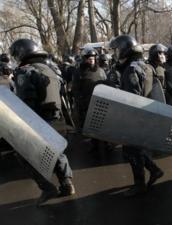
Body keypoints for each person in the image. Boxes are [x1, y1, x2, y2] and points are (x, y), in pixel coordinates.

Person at [9, 39, 75, 206]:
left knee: (23, 155)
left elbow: (25, 103)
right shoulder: (51, 69)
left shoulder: (24, 72)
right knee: (58, 152)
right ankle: (67, 183)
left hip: (38, 121)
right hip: (57, 119)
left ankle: (47, 188)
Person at [109, 35, 164, 197]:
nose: (115, 53)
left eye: (117, 49)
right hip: (146, 115)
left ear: (125, 50)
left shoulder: (131, 70)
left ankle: (139, 185)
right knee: (136, 150)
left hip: (135, 117)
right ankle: (155, 170)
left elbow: (132, 98)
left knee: (131, 152)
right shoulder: (144, 66)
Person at [71, 47, 107, 149]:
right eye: (88, 58)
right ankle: (94, 144)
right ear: (84, 59)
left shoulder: (100, 71)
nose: (91, 60)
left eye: (93, 58)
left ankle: (106, 143)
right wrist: (80, 103)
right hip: (86, 104)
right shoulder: (78, 72)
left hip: (100, 102)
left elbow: (107, 85)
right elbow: (76, 89)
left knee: (102, 125)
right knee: (90, 127)